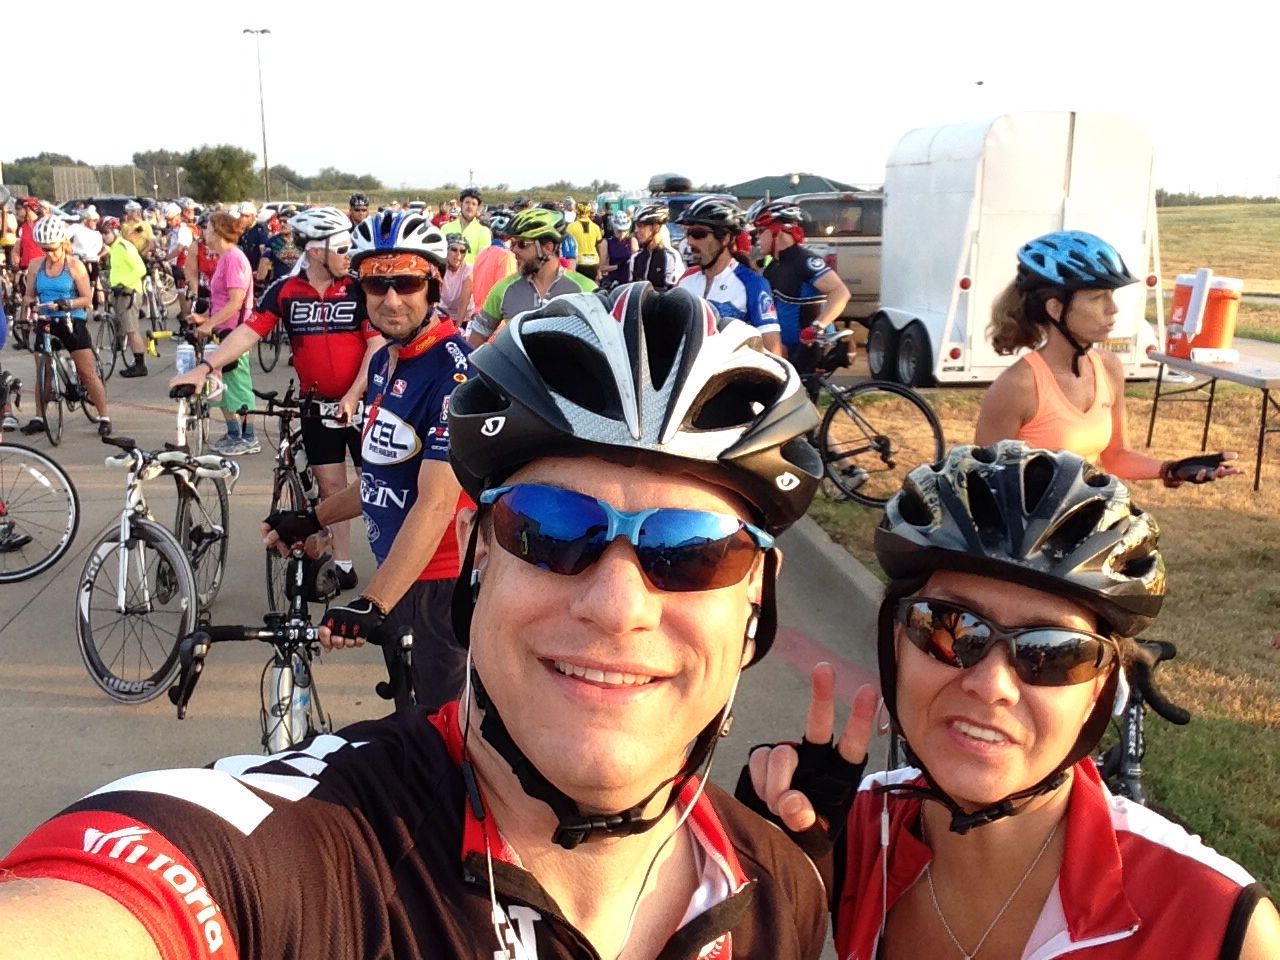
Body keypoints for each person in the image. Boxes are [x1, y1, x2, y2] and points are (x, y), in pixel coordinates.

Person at [745, 440, 1279, 959]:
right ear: (898, 645)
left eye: (1053, 653)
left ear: (1098, 689)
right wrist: (758, 885)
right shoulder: (852, 831)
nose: (991, 685)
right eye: (950, 628)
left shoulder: (1217, 927)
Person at [263, 210, 472, 711]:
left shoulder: (455, 374)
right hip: (400, 578)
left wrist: (372, 600)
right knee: (410, 716)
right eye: (377, 284)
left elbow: (436, 504)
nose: (392, 299)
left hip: (438, 586)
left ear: (433, 285)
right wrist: (312, 517)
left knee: (440, 731)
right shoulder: (383, 361)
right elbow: (382, 477)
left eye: (407, 283)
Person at [172, 206, 374, 588]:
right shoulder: (286, 291)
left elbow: (376, 346)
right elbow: (248, 333)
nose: (348, 255)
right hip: (317, 406)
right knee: (332, 488)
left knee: (376, 487)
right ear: (315, 252)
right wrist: (206, 367)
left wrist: (354, 393)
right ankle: (343, 564)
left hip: (364, 403)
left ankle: (393, 565)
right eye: (341, 248)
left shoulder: (358, 289)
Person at [975, 231, 1240, 486]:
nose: (1112, 308)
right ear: (1056, 308)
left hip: (1089, 512)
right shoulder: (1017, 386)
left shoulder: (1108, 366)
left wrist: (1172, 469)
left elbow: (1116, 457)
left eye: (1111, 295)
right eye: (1097, 297)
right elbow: (985, 483)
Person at [19, 217, 112, 437]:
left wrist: (66, 303)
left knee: (86, 372)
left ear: (62, 243)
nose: (49, 254)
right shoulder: (36, 266)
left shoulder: (74, 265)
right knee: (43, 372)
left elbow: (87, 298)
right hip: (46, 320)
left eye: (52, 249)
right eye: (44, 249)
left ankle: (104, 416)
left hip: (71, 319)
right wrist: (29, 307)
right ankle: (39, 417)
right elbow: (28, 296)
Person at [466, 207, 595, 348]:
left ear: (548, 248)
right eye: (513, 243)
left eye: (522, 244)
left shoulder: (586, 290)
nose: (513, 250)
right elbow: (473, 344)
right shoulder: (503, 289)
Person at [189, 211, 259, 455]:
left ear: (218, 231)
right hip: (222, 330)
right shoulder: (224, 259)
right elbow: (221, 302)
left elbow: (236, 301)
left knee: (238, 384)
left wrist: (209, 324)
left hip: (235, 332)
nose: (204, 233)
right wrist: (204, 318)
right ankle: (233, 432)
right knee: (221, 384)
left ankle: (249, 436)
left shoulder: (233, 259)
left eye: (208, 229)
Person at [675, 197, 782, 355]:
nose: (689, 241)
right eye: (687, 233)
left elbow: (772, 351)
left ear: (725, 238)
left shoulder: (753, 284)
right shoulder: (685, 280)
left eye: (698, 234)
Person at [752, 201, 851, 356]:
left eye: (760, 231)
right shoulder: (772, 266)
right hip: (784, 350)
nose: (756, 237)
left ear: (777, 231)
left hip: (810, 348)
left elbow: (841, 292)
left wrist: (817, 327)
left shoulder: (804, 261)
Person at [105, 215, 150, 378]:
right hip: (120, 292)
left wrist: (123, 283)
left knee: (131, 329)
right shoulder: (115, 248)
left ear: (114, 231)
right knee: (126, 327)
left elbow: (141, 269)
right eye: (101, 233)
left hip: (128, 293)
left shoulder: (124, 246)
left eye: (106, 232)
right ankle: (134, 360)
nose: (103, 236)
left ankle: (140, 365)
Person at [469, 208, 517, 314]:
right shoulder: (507, 256)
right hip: (494, 317)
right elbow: (505, 293)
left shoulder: (482, 254)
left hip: (478, 313)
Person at [627, 203, 681, 291]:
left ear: (656, 227)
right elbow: (631, 291)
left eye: (641, 226)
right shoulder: (636, 257)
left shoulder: (671, 257)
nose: (636, 230)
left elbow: (675, 293)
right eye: (635, 226)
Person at [441, 188, 490, 265]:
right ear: (461, 204)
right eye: (467, 202)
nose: (470, 206)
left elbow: (482, 263)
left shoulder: (483, 232)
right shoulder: (445, 228)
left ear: (478, 208)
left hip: (472, 272)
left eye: (474, 204)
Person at [565, 201, 604, 281]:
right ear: (589, 212)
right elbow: (600, 248)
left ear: (577, 211)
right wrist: (600, 267)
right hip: (594, 262)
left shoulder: (570, 227)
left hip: (579, 262)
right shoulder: (596, 227)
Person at [440, 233, 473, 324]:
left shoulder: (468, 270)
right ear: (446, 251)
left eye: (462, 251)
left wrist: (457, 327)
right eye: (454, 250)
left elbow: (464, 302)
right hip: (442, 312)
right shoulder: (439, 267)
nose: (458, 254)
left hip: (463, 315)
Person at [598, 207, 636, 287]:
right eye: (619, 231)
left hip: (629, 280)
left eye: (624, 231)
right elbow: (602, 267)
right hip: (614, 280)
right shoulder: (607, 242)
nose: (622, 234)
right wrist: (618, 266)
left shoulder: (632, 241)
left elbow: (637, 263)